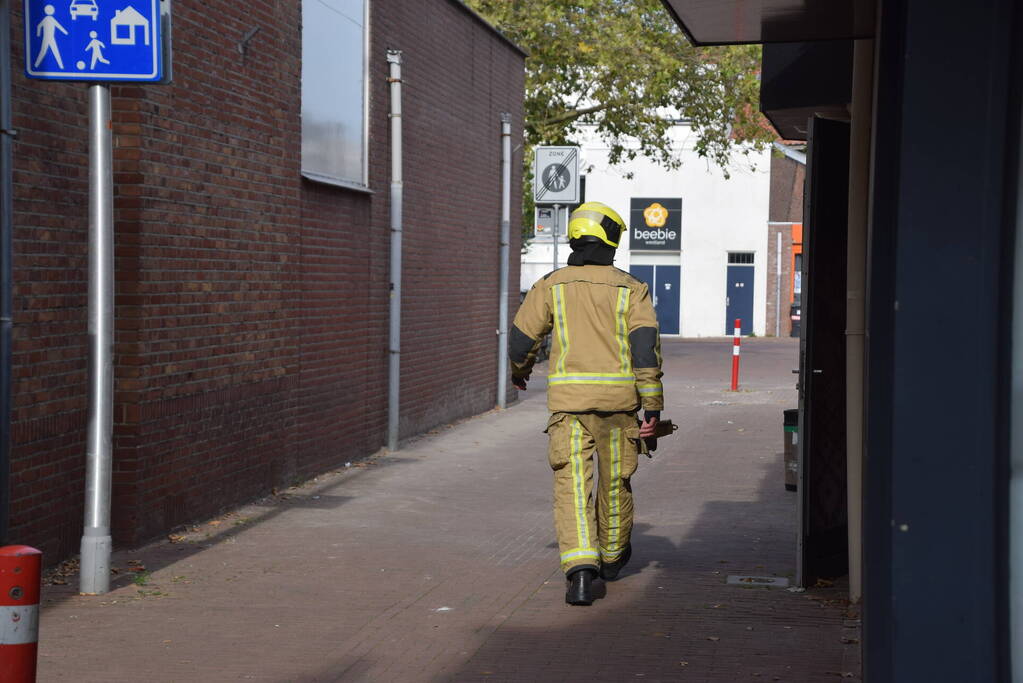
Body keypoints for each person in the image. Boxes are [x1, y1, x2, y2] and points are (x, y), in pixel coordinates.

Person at [509, 201, 663, 605]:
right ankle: (611, 559)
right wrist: (653, 404)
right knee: (615, 483)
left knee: (572, 486)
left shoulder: (551, 284)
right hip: (619, 407)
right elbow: (645, 349)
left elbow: (521, 340)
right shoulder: (633, 289)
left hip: (568, 409)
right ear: (612, 240)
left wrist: (520, 371)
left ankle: (580, 572)